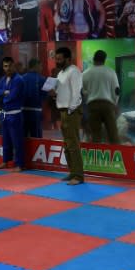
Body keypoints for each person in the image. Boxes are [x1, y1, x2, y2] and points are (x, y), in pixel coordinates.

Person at [50, 47, 84, 185]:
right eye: (56, 59)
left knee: (73, 144)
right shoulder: (60, 74)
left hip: (71, 111)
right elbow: (61, 92)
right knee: (67, 144)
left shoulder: (74, 71)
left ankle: (78, 176)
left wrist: (70, 110)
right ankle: (72, 172)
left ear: (68, 59)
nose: (57, 61)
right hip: (63, 110)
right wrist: (53, 94)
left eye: (60, 59)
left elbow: (77, 93)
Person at [0, 56, 26, 170]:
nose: (7, 68)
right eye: (5, 66)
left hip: (15, 114)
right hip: (5, 115)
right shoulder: (3, 79)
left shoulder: (18, 80)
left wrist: (4, 96)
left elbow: (12, 96)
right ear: (3, 67)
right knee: (5, 139)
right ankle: (5, 161)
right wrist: (4, 92)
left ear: (13, 66)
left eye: (9, 66)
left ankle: (19, 164)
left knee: (17, 141)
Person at [82, 50, 120, 144]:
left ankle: (97, 156)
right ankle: (117, 155)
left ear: (94, 59)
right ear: (104, 60)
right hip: (108, 105)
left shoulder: (86, 73)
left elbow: (83, 91)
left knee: (95, 134)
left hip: (92, 105)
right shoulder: (110, 72)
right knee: (113, 134)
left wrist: (89, 95)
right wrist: (115, 103)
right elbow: (116, 91)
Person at [21, 58, 46, 138]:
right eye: (40, 66)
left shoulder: (21, 78)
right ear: (36, 66)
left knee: (23, 135)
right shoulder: (41, 79)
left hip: (22, 111)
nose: (41, 68)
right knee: (36, 136)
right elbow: (45, 95)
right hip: (36, 112)